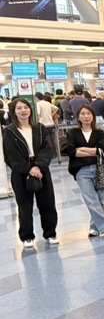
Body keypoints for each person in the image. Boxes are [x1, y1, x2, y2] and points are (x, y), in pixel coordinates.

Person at [3, 98, 58, 249]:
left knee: (47, 203)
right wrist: (29, 169)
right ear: (14, 112)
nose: (23, 111)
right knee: (24, 205)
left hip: (41, 170)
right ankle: (27, 236)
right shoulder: (9, 131)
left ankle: (50, 233)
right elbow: (11, 155)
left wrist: (38, 166)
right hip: (21, 172)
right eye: (19, 108)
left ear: (30, 110)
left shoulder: (39, 128)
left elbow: (48, 148)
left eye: (26, 107)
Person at [63, 104, 104, 238]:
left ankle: (94, 227)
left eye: (89, 114)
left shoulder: (99, 133)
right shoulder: (73, 133)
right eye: (83, 114)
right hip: (82, 171)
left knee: (101, 200)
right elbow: (70, 150)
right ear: (78, 117)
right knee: (91, 200)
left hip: (100, 169)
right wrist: (94, 151)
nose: (86, 116)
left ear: (93, 116)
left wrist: (81, 149)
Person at [34, 91, 58, 156]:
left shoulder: (38, 104)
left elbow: (38, 114)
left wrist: (38, 121)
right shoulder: (47, 103)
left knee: (47, 141)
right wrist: (51, 115)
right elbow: (56, 108)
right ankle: (54, 153)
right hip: (51, 123)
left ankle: (49, 154)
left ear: (36, 97)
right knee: (52, 140)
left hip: (43, 124)